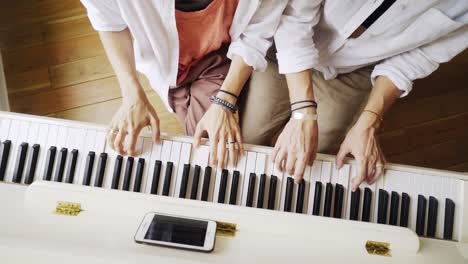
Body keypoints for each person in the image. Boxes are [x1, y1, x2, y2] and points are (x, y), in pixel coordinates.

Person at [242, 0, 468, 190]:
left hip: (354, 69)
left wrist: (369, 123)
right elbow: (294, 17)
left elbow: (417, 58)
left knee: (314, 152)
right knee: (248, 137)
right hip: (283, 47)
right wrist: (303, 112)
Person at [80, 0, 287, 168]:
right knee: (207, 144)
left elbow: (255, 34)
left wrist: (225, 102)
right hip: (168, 67)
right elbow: (109, 23)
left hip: (219, 56)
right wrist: (131, 93)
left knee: (210, 152)